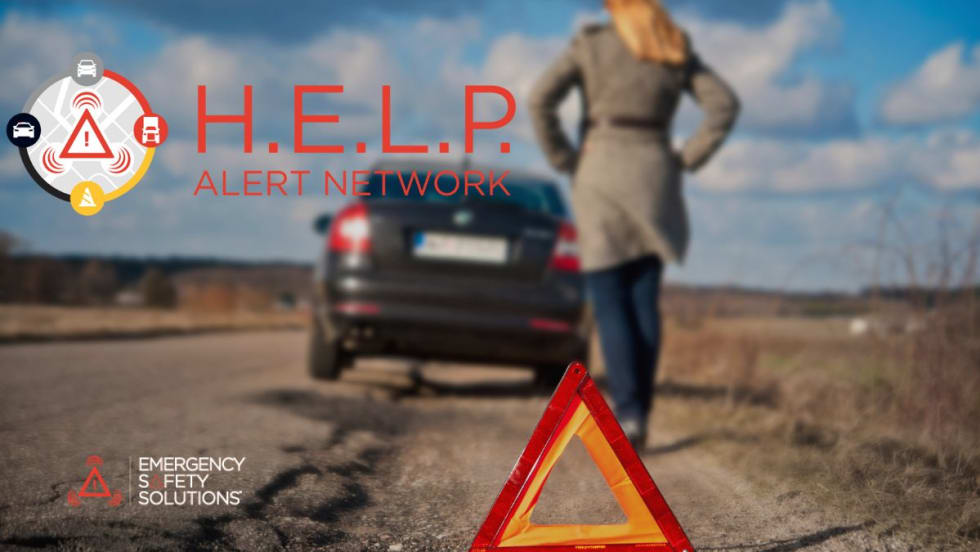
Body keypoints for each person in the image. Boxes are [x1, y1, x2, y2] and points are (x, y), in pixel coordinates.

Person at [528, 0, 739, 448]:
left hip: (599, 170)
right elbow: (723, 105)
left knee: (609, 301)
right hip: (654, 175)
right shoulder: (671, 45)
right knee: (644, 298)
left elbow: (538, 100)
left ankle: (628, 412)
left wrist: (564, 158)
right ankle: (639, 412)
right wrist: (687, 157)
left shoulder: (592, 45)